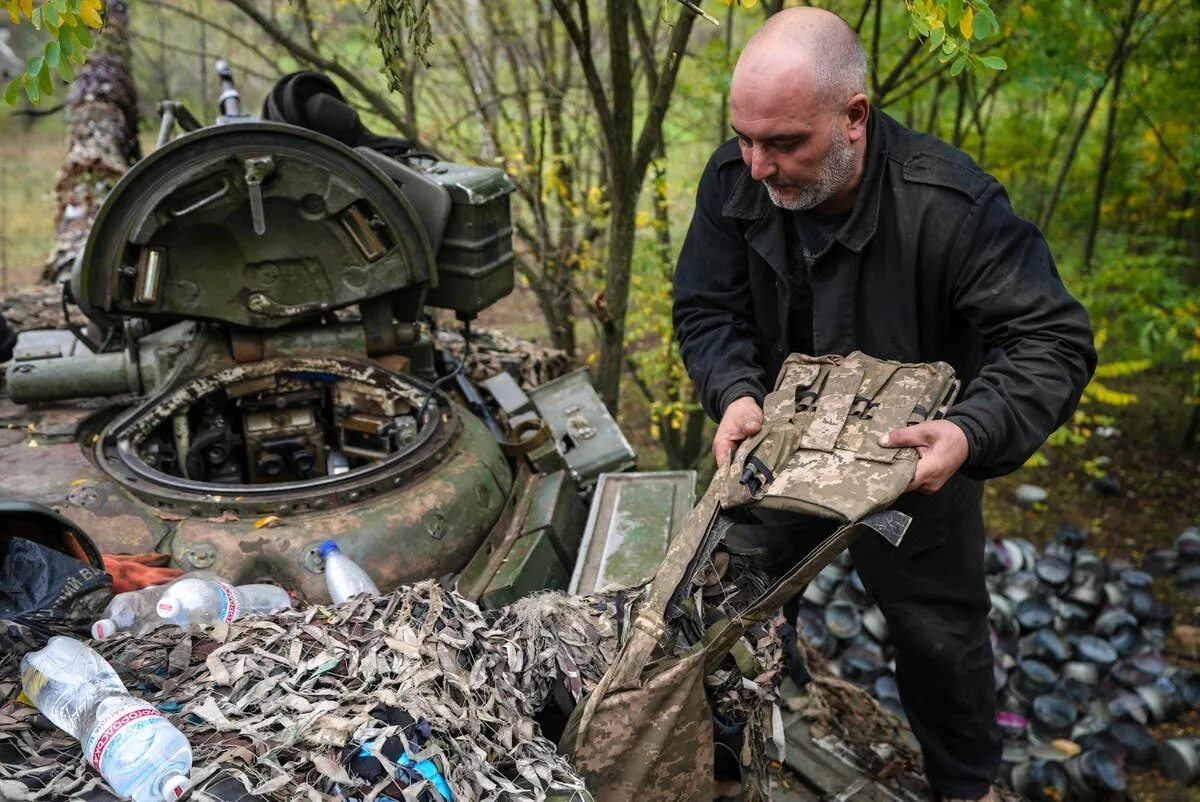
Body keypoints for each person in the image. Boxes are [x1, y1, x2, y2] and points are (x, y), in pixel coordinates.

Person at [672, 8, 1096, 802]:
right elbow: (705, 308)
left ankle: (965, 786)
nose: (757, 165)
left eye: (785, 143)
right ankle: (765, 722)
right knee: (717, 598)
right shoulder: (737, 181)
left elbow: (1051, 341)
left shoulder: (949, 207)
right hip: (775, 447)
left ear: (855, 117)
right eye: (744, 138)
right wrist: (732, 390)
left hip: (913, 464)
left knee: (941, 641)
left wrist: (969, 434)